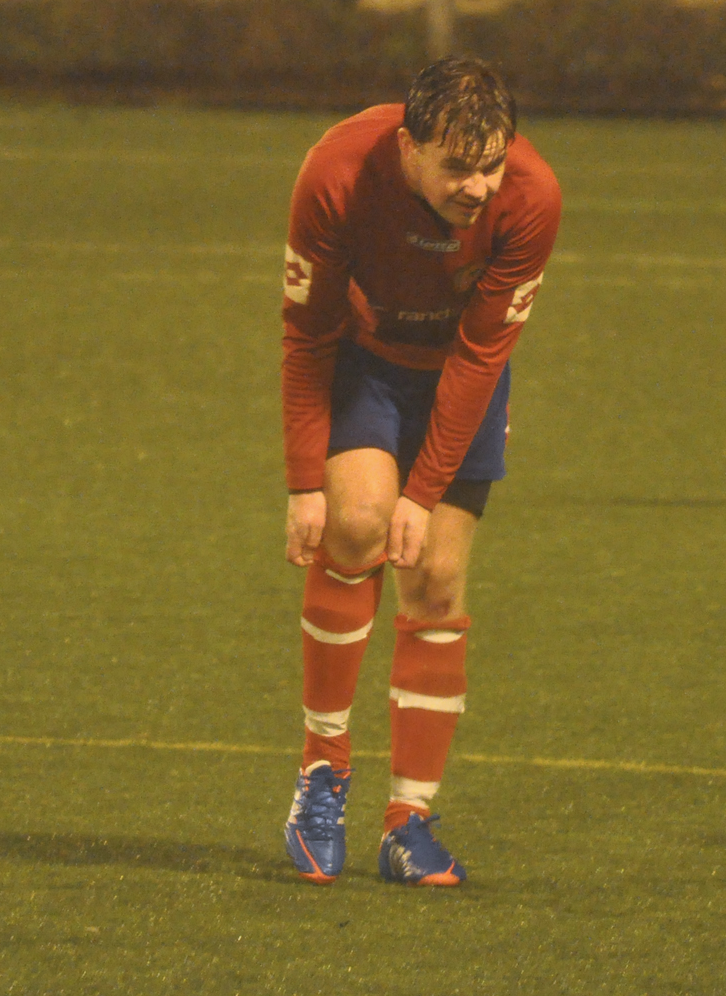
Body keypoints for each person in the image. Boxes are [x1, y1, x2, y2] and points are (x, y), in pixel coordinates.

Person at [278, 57, 561, 886]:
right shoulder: (337, 173)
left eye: (491, 165)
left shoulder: (533, 197)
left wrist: (426, 491)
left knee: (435, 580)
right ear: (409, 146)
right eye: (458, 167)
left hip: (460, 377)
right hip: (365, 363)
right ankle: (322, 775)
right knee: (355, 524)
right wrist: (303, 482)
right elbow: (308, 332)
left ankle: (409, 821)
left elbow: (480, 356)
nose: (479, 186)